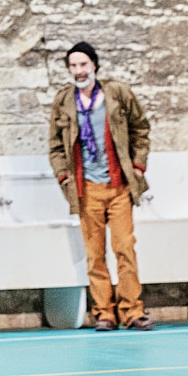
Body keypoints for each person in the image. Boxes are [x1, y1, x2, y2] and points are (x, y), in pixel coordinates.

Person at [48, 41, 153, 331]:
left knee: (125, 249)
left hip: (118, 186)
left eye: (83, 64)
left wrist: (137, 166)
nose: (79, 71)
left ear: (94, 65)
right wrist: (64, 177)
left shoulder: (117, 93)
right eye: (73, 66)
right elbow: (55, 146)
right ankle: (104, 313)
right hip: (86, 189)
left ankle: (132, 311)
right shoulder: (64, 101)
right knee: (95, 255)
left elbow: (141, 129)